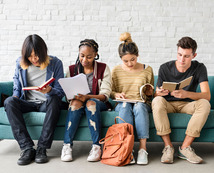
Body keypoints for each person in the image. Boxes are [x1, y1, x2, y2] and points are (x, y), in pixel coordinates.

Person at [4, 34, 65, 165]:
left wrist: (49, 90)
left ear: (43, 52)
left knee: (55, 100)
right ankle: (27, 148)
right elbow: (16, 82)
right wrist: (15, 95)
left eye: (36, 55)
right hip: (27, 102)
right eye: (30, 56)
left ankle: (42, 148)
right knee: (9, 102)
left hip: (45, 103)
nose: (34, 59)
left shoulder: (56, 63)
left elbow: (60, 92)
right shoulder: (20, 63)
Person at [152, 36, 211, 164]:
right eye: (179, 54)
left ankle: (185, 147)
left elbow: (207, 95)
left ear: (194, 55)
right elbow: (157, 95)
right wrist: (159, 93)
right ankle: (168, 147)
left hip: (187, 104)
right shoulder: (164, 68)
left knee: (205, 104)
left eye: (186, 56)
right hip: (167, 103)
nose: (182, 59)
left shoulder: (199, 68)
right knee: (156, 101)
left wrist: (186, 94)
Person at [60, 39, 112, 162]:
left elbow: (105, 95)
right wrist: (73, 96)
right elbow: (68, 94)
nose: (84, 60)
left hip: (97, 102)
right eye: (82, 56)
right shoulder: (72, 69)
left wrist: (87, 97)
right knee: (75, 103)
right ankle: (67, 145)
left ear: (95, 54)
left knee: (90, 103)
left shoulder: (103, 68)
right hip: (77, 101)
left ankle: (96, 146)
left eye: (89, 57)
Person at [111, 32, 154, 165]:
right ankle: (127, 149)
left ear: (137, 55)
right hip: (124, 103)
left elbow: (151, 95)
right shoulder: (116, 70)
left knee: (139, 106)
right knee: (124, 106)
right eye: (126, 61)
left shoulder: (147, 69)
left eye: (133, 59)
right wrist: (116, 95)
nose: (130, 63)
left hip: (141, 103)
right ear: (120, 58)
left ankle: (142, 149)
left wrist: (150, 92)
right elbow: (111, 92)